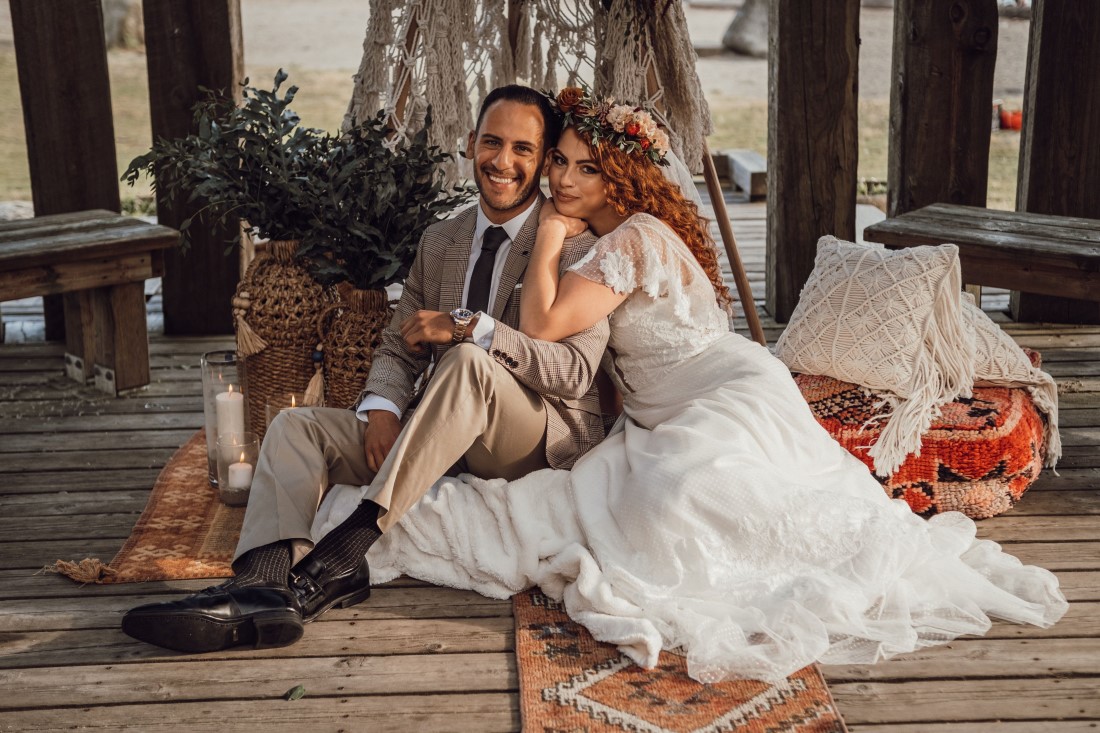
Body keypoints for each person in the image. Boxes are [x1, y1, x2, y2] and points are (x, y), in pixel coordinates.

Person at [340, 87, 1069, 684]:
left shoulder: (630, 240)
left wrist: (554, 235)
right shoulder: (606, 240)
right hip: (660, 409)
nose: (561, 180)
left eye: (582, 169)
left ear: (618, 179)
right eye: (558, 162)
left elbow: (542, 322)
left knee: (687, 498)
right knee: (644, 498)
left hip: (716, 391)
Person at [121, 84, 609, 653]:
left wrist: (467, 325)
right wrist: (380, 409)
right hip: (438, 425)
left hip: (528, 435)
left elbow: (575, 373)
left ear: (545, 158)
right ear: (471, 143)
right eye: (492, 142)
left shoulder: (574, 244)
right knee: (293, 427)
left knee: (471, 360)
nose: (503, 162)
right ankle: (259, 587)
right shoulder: (441, 240)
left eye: (524, 149)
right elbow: (397, 347)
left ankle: (347, 553)